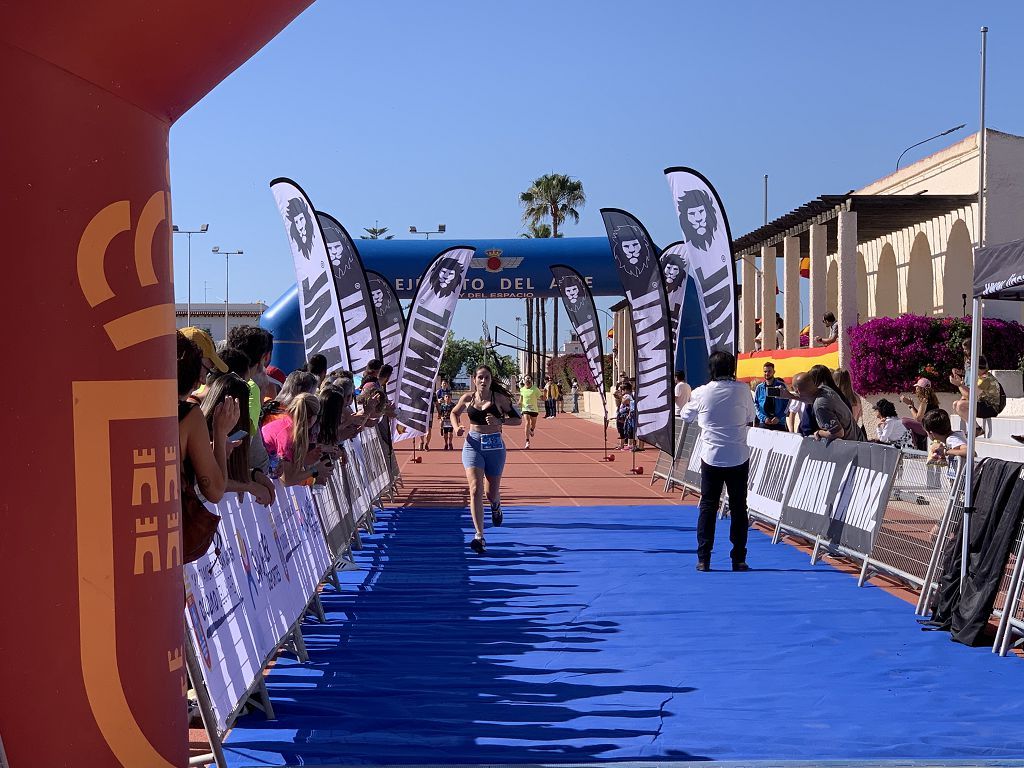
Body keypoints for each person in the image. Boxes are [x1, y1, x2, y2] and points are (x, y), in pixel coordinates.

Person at [680, 350, 756, 572]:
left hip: (712, 456)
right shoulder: (743, 390)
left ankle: (704, 558)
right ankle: (739, 558)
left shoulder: (702, 392)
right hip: (738, 455)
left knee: (708, 506)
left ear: (711, 370)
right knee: (739, 507)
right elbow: (750, 416)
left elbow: (686, 415)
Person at [451, 365, 522, 553]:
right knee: (475, 488)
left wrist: (501, 421)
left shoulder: (499, 399)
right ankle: (479, 535)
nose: (483, 381)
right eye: (480, 377)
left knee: (491, 494)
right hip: (473, 444)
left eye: (487, 378)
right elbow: (453, 413)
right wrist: (457, 426)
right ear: (473, 379)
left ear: (491, 380)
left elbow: (518, 419)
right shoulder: (467, 398)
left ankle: (496, 506)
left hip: (494, 446)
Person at [177, 331, 235, 506]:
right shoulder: (189, 415)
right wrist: (220, 432)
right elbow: (215, 491)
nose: (203, 380)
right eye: (204, 369)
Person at [199, 373, 273, 505]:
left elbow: (224, 472)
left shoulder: (238, 434)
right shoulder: (198, 431)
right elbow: (215, 484)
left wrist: (252, 475)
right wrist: (249, 485)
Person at [260, 392, 333, 487]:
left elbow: (287, 464)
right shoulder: (288, 435)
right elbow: (286, 480)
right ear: (311, 418)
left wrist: (304, 459)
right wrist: (315, 470)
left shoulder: (287, 422)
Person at [952, 355, 1003, 436]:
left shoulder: (985, 379)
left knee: (960, 405)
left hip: (991, 408)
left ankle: (977, 429)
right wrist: (961, 385)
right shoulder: (981, 377)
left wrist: (959, 385)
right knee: (956, 404)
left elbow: (971, 396)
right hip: (984, 405)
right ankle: (976, 427)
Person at [800, 365, 855, 441]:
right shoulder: (838, 395)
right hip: (850, 441)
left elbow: (806, 427)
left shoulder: (819, 400)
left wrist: (819, 433)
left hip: (824, 444)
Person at [923, 409, 967, 476]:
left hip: (963, 482)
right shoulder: (950, 438)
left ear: (931, 433)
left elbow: (969, 452)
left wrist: (946, 451)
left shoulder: (952, 439)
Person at [753, 362, 788, 431]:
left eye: (769, 371)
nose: (767, 373)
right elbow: (756, 405)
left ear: (774, 372)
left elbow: (787, 404)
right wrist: (763, 418)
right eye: (765, 371)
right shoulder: (759, 387)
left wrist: (779, 417)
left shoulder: (781, 386)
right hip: (764, 423)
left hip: (779, 423)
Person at [518, 375, 542, 449]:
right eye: (526, 379)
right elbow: (521, 398)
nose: (527, 380)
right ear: (524, 381)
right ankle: (527, 441)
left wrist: (545, 396)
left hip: (534, 409)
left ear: (531, 380)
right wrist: (519, 402)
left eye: (529, 379)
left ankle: (532, 430)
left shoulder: (535, 389)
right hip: (525, 409)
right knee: (527, 422)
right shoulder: (522, 389)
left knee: (533, 424)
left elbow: (541, 397)